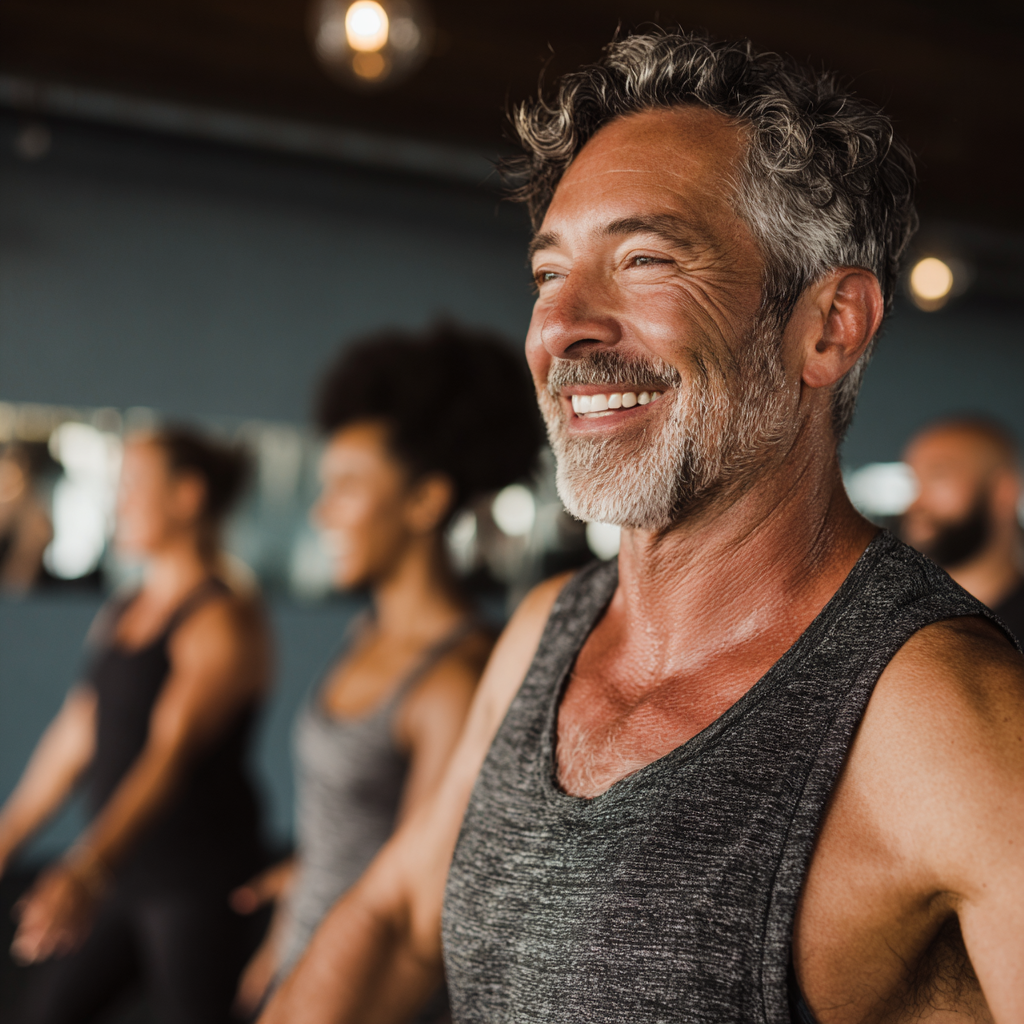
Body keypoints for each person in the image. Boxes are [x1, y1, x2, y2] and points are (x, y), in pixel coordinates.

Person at [260, 31, 1024, 1024]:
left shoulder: (945, 721)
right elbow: (401, 918)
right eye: (547, 274)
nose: (561, 324)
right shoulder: (546, 633)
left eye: (644, 258)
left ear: (828, 326)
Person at [231, 324, 542, 1016]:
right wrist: (280, 943)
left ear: (425, 502)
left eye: (346, 486)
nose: (321, 511)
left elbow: (418, 911)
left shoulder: (454, 681)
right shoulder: (366, 631)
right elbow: (339, 826)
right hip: (296, 964)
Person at [0, 427, 270, 1024]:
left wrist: (87, 867)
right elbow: (74, 738)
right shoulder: (123, 612)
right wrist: (6, 837)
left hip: (194, 880)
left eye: (133, 486)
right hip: (125, 870)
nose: (118, 503)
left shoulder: (222, 621)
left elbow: (165, 756)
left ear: (187, 496)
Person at [901, 415, 1024, 643]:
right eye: (914, 481)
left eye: (938, 476)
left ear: (1004, 492)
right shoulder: (896, 627)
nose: (915, 504)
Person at [0, 442, 54, 594]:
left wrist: (31, 545)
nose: (4, 492)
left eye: (11, 484)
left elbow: (13, 594)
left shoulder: (35, 529)